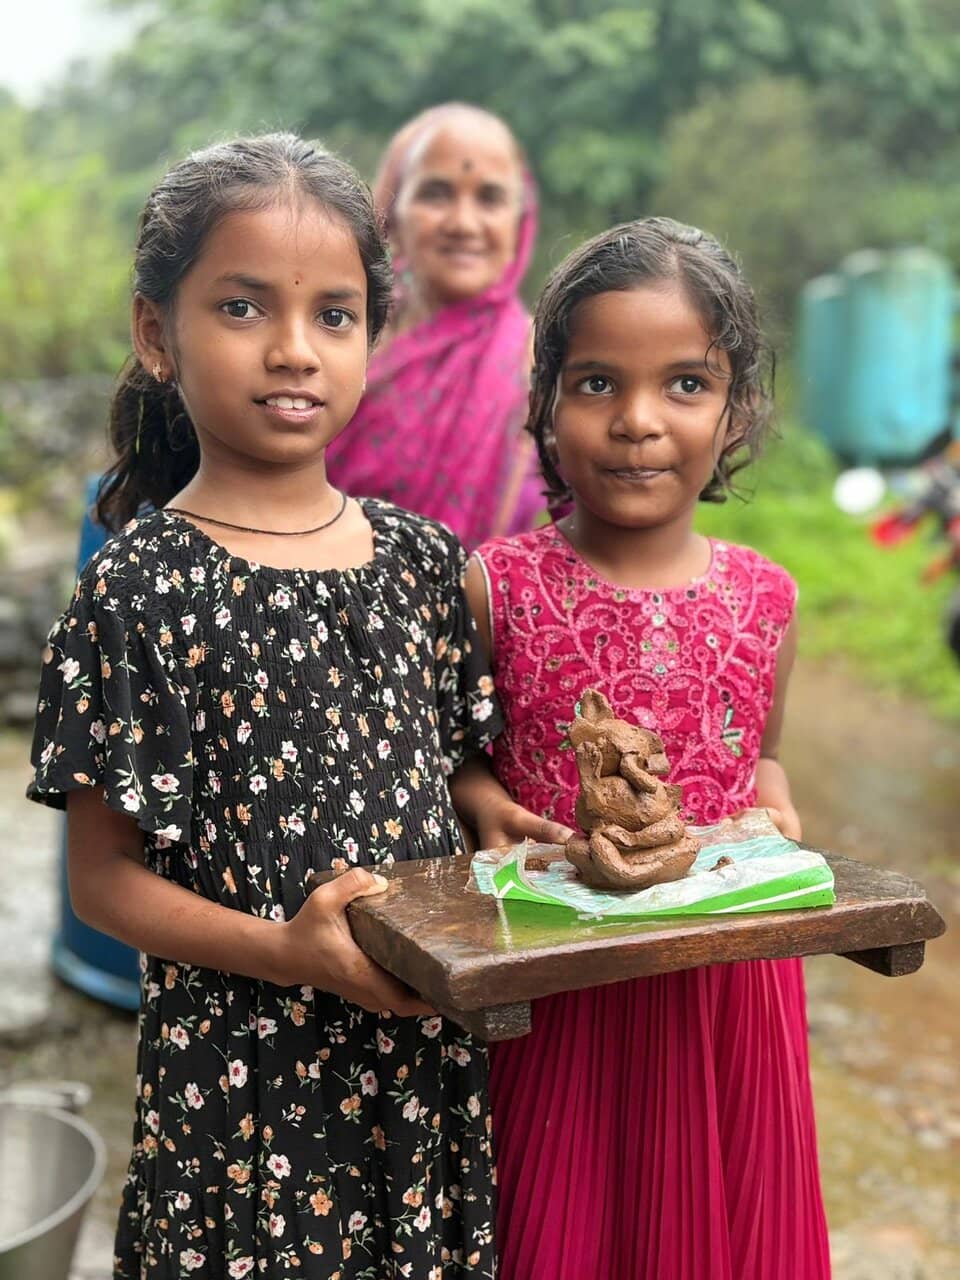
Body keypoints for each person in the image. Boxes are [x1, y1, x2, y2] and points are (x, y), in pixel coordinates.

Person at [27, 132, 560, 1280]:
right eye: (241, 306)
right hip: (243, 1102)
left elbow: (448, 756)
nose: (292, 349)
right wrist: (287, 950)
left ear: (373, 331)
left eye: (334, 314)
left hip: (419, 1075)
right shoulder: (142, 585)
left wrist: (488, 807)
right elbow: (103, 878)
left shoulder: (420, 560)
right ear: (156, 333)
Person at [459, 218, 831, 1279]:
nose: (636, 421)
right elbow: (454, 754)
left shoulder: (767, 598)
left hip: (727, 987)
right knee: (556, 1228)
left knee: (721, 1232)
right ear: (544, 401)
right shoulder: (498, 586)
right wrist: (479, 787)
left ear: (737, 409)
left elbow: (761, 754)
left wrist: (773, 797)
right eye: (594, 383)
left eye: (683, 384)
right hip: (554, 986)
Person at [325, 103, 543, 549]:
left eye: (490, 198)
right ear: (393, 213)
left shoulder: (544, 365)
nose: (463, 223)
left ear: (519, 221)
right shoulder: (334, 337)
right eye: (437, 193)